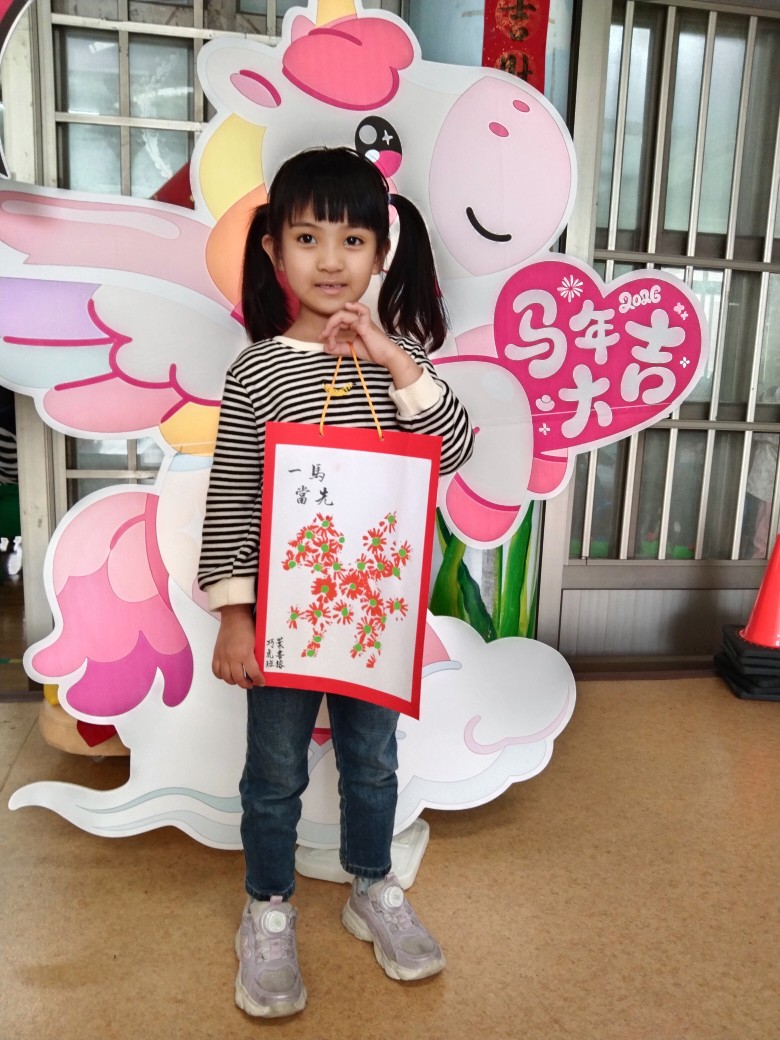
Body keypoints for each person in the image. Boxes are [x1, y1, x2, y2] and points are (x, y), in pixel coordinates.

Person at [197, 146, 474, 1019]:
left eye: (352, 240)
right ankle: (268, 907)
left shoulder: (400, 362)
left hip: (373, 619)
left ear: (380, 254)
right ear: (274, 251)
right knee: (274, 771)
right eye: (308, 237)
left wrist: (392, 359)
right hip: (285, 622)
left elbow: (453, 451)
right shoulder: (257, 369)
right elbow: (234, 494)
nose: (329, 259)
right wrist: (235, 616)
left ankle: (372, 887)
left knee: (372, 763)